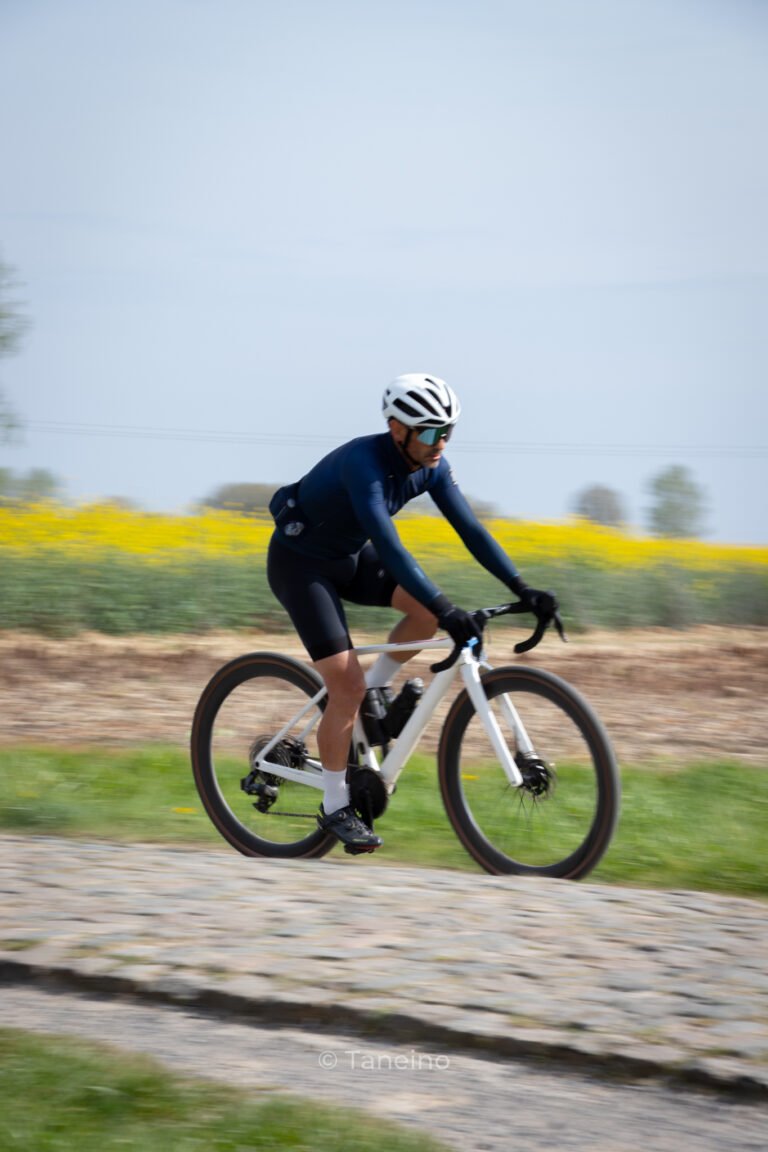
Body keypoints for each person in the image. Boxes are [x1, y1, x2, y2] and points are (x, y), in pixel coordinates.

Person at [267, 374, 557, 854]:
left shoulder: (432, 465)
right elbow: (390, 546)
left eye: (448, 431)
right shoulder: (364, 464)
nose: (441, 442)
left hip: (349, 557)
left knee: (423, 616)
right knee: (346, 686)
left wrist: (523, 588)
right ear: (397, 429)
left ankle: (374, 695)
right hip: (302, 567)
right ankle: (336, 805)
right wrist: (448, 608)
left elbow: (471, 530)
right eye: (431, 432)